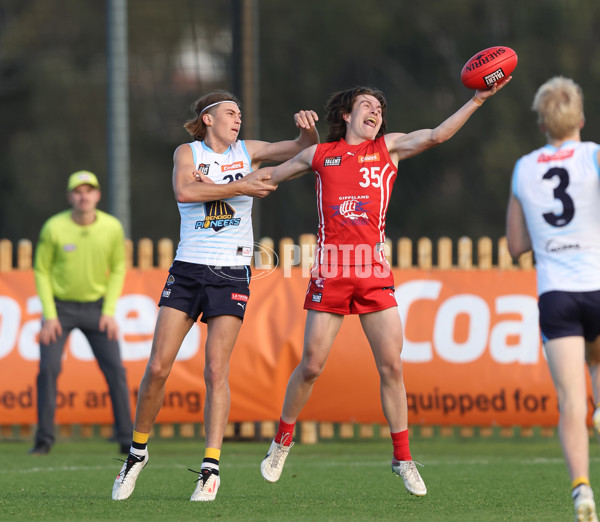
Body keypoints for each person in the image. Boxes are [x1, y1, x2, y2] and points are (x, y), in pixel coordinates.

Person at [252, 79, 510, 497]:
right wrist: (222, 186)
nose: (376, 112)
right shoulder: (320, 154)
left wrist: (477, 99)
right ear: (347, 115)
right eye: (367, 105)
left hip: (373, 272)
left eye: (380, 108)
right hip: (332, 270)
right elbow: (268, 178)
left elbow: (437, 134)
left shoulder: (386, 148)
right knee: (313, 365)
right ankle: (282, 441)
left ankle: (402, 458)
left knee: (392, 366)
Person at [111, 90, 319, 502]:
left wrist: (308, 133)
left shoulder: (250, 150)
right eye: (229, 112)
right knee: (156, 368)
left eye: (240, 113)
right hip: (188, 269)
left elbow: (303, 153)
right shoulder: (187, 153)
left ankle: (210, 469)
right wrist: (239, 185)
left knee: (214, 371)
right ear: (208, 119)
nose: (237, 118)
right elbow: (185, 193)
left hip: (231, 273)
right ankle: (137, 454)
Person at [506, 76, 600, 522]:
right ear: (579, 118)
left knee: (570, 401)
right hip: (597, 285)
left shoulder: (524, 167)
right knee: (597, 364)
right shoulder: (596, 156)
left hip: (556, 294)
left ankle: (581, 489)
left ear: (541, 122)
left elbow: (515, 245)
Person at [30, 170, 132, 456]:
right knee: (48, 370)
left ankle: (127, 438)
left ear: (98, 195)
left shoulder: (111, 227)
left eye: (89, 190)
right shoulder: (54, 227)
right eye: (78, 191)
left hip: (98, 308)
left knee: (116, 371)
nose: (83, 196)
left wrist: (109, 310)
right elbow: (42, 270)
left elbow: (119, 269)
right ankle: (44, 440)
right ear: (70, 196)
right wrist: (49, 315)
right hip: (59, 310)